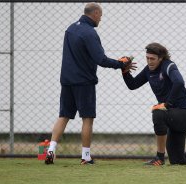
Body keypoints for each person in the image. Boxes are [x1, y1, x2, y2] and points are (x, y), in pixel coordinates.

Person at [45, 3, 132, 165]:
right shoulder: (89, 33)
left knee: (63, 116)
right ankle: (85, 157)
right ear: (95, 13)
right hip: (84, 81)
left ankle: (50, 150)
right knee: (87, 118)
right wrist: (121, 63)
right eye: (101, 15)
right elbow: (101, 60)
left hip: (66, 80)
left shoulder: (70, 29)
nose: (101, 19)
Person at [122, 42, 186, 165]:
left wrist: (167, 104)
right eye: (147, 58)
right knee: (178, 160)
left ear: (161, 58)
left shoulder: (168, 66)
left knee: (157, 112)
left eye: (152, 59)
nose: (149, 61)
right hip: (172, 118)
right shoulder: (148, 70)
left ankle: (159, 158)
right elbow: (132, 85)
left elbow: (179, 82)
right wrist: (125, 72)